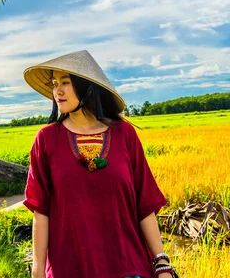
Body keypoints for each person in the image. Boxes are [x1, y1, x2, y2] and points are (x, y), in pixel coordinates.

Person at [23, 50, 177, 278]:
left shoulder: (125, 134)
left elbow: (144, 205)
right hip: (69, 267)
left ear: (87, 87)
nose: (58, 90)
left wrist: (162, 263)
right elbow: (41, 210)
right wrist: (37, 271)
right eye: (55, 83)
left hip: (128, 266)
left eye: (65, 82)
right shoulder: (46, 140)